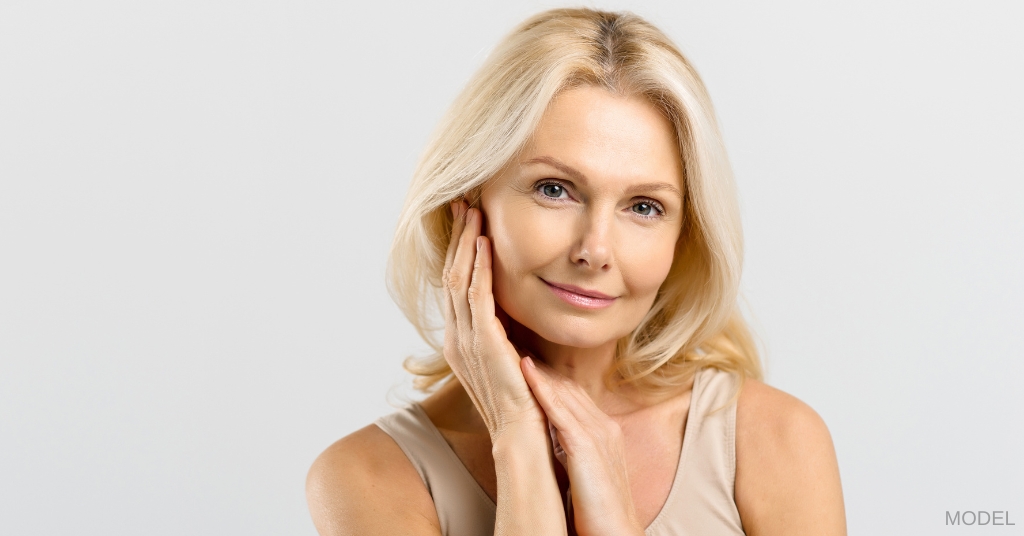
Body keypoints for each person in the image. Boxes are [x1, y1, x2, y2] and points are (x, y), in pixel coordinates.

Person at [306, 7, 846, 535]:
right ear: (470, 198)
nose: (596, 250)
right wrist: (518, 440)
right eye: (554, 189)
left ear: (684, 237)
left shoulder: (775, 441)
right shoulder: (368, 476)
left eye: (643, 206)